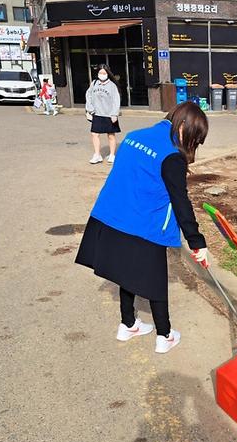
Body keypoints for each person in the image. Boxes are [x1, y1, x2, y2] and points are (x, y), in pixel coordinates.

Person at [75, 102, 209, 354]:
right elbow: (181, 201)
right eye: (194, 138)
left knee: (127, 272)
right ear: (183, 127)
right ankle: (165, 335)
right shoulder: (171, 155)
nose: (193, 145)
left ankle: (128, 324)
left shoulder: (135, 136)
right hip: (143, 223)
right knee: (155, 281)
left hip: (112, 216)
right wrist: (196, 242)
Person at [85, 64, 121, 165]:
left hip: (109, 114)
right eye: (100, 73)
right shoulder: (94, 83)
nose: (102, 75)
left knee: (111, 135)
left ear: (108, 74)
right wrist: (89, 109)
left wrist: (114, 114)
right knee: (94, 134)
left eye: (104, 73)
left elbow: (116, 100)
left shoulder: (112, 86)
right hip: (97, 114)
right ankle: (97, 155)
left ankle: (112, 155)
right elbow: (88, 95)